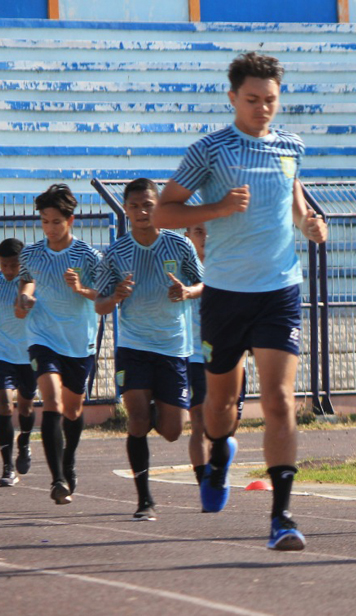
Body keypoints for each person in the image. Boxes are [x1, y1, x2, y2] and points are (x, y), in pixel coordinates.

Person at [153, 52, 327, 551]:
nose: (262, 109)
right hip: (226, 294)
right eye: (252, 100)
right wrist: (221, 207)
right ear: (232, 98)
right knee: (220, 409)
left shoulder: (292, 145)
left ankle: (283, 517)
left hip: (279, 291)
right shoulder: (209, 150)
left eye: (270, 100)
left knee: (278, 401)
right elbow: (164, 212)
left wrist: (310, 223)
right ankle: (220, 451)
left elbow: (294, 199)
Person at [95, 178, 204, 521]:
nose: (142, 212)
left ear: (158, 207)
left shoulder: (180, 246)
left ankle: (157, 403)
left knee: (172, 431)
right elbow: (99, 304)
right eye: (135, 206)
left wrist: (187, 292)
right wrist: (115, 298)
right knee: (137, 421)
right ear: (126, 210)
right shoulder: (115, 254)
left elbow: (204, 283)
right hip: (134, 346)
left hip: (173, 347)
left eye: (148, 205)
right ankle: (144, 500)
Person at [16, 184, 103, 505]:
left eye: (56, 222)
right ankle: (57, 480)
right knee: (51, 401)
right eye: (44, 222)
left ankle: (68, 462)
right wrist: (26, 293)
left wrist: (81, 289)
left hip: (79, 341)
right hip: (42, 337)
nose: (50, 228)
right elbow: (27, 277)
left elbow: (103, 296)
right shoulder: (32, 253)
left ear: (71, 220)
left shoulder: (89, 256)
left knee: (73, 409)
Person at [184, 222, 246, 487]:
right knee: (198, 420)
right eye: (198, 230)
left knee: (227, 425)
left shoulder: (232, 266)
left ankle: (219, 466)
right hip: (196, 355)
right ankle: (204, 483)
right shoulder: (180, 269)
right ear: (187, 235)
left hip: (230, 356)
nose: (205, 236)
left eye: (210, 230)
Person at [0, 238, 36, 487]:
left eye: (14, 265)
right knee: (4, 404)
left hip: (29, 355)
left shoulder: (32, 284)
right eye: (4, 265)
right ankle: (8, 467)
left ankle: (24, 441)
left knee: (25, 406)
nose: (10, 270)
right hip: (3, 354)